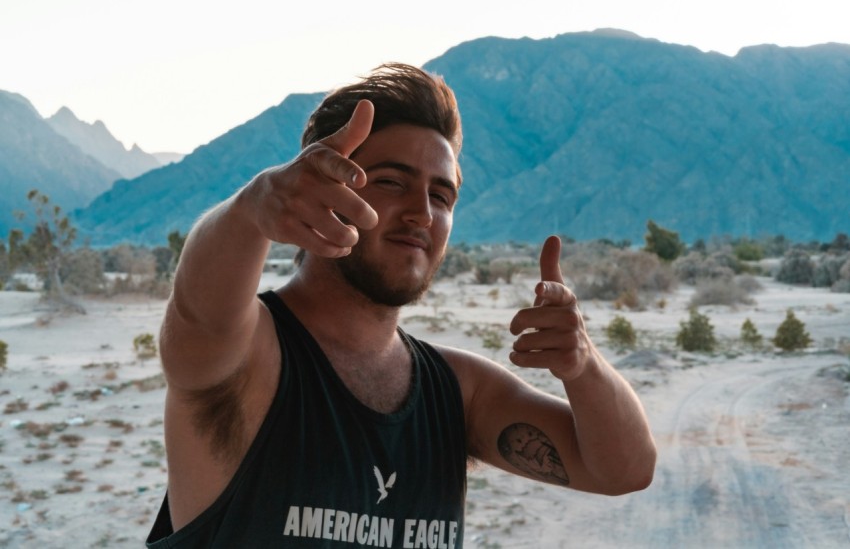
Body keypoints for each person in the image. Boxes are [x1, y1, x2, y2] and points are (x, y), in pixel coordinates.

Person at [146, 63, 656, 548]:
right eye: (391, 182)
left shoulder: (458, 391)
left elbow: (624, 470)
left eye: (442, 196)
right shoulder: (247, 358)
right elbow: (198, 309)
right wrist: (250, 208)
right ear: (319, 191)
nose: (421, 213)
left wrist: (582, 364)